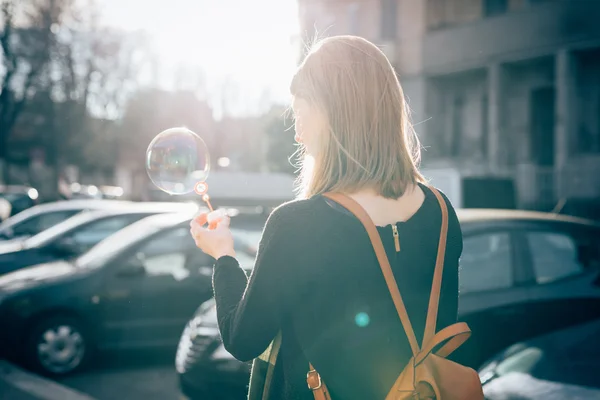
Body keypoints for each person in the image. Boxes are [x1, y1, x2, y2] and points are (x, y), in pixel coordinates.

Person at [190, 35, 462, 400]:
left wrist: (223, 256)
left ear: (333, 117)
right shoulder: (441, 213)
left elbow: (243, 339)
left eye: (301, 114)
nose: (298, 135)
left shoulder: (298, 225)